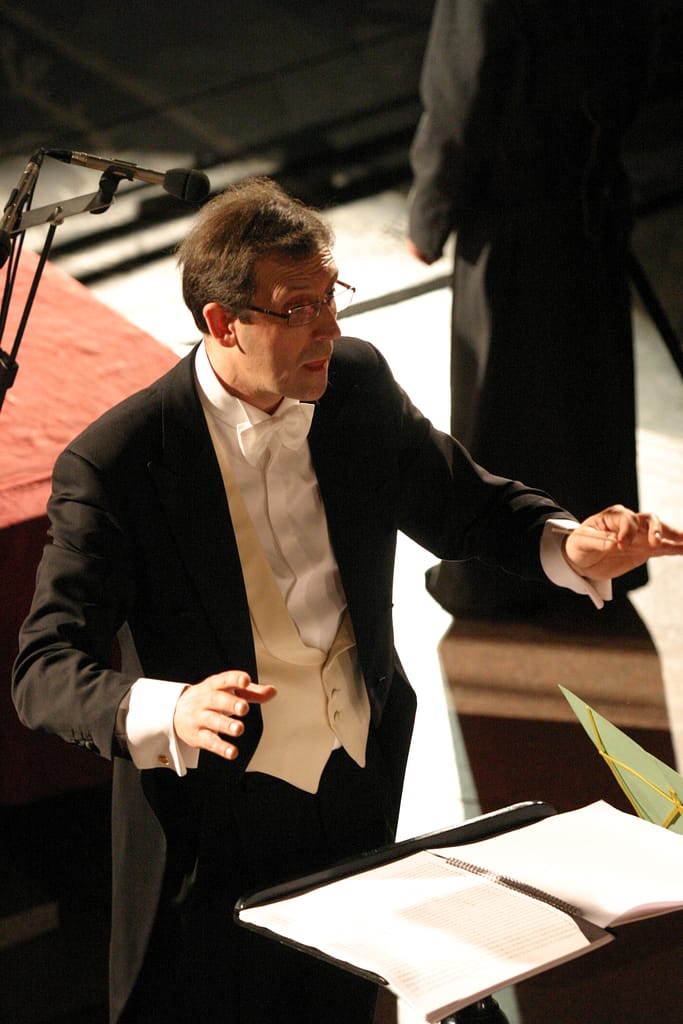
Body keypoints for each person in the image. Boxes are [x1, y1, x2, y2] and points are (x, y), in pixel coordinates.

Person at [12, 177, 682, 1024]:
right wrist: (171, 710)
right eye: (299, 309)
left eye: (332, 298)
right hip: (213, 816)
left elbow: (462, 502)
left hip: (359, 773)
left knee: (337, 1006)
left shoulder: (355, 384)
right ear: (222, 322)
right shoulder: (119, 463)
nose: (329, 328)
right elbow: (44, 670)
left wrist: (566, 542)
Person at [407, 0, 661, 615]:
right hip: (588, 201)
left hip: (512, 212)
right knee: (586, 399)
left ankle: (500, 577)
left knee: (503, 399)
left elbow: (463, 87)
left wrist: (430, 211)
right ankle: (602, 558)